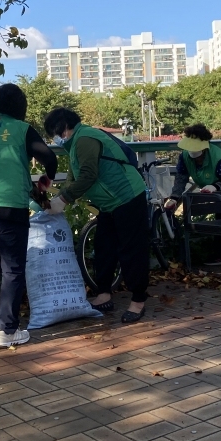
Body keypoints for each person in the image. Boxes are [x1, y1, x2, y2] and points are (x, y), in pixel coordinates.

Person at [0, 84, 58, 348]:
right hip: (8, 209)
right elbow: (50, 159)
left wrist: (30, 189)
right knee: (12, 269)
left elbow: (2, 169)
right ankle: (8, 330)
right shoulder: (21, 129)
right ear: (20, 107)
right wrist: (46, 180)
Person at [43, 107, 150, 323]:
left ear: (63, 127)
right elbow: (74, 179)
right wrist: (57, 196)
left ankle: (138, 301)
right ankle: (104, 295)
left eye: (54, 133)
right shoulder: (74, 146)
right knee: (104, 248)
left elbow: (89, 175)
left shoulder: (85, 138)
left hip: (127, 196)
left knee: (131, 249)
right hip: (108, 203)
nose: (54, 139)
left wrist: (62, 200)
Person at [162, 123, 221, 266]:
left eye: (199, 157)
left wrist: (216, 186)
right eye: (193, 157)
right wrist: (174, 197)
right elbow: (181, 178)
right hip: (209, 187)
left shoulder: (218, 156)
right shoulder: (185, 157)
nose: (196, 160)